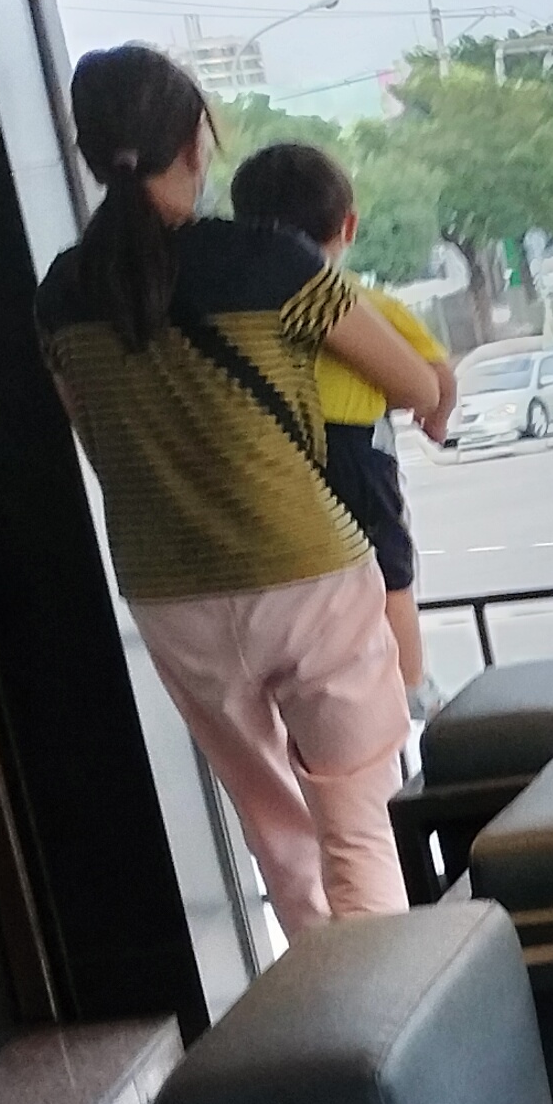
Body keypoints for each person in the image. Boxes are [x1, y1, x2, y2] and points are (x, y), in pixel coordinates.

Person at [36, 45, 455, 928]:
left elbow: (100, 445)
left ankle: (328, 1033)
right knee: (358, 827)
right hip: (306, 570)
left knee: (283, 841)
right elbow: (413, 385)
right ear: (197, 144)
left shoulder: (64, 296)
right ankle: (393, 1034)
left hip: (171, 592)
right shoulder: (270, 262)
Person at [227, 136, 445, 705]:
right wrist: (436, 420)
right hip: (357, 448)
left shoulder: (249, 314)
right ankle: (411, 682)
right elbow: (435, 375)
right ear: (348, 226)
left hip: (285, 455)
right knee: (388, 566)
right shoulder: (362, 302)